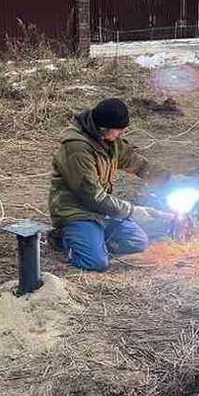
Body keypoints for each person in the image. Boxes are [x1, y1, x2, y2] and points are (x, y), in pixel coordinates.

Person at [49, 98, 173, 271]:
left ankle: (92, 238)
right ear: (103, 129)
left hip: (101, 210)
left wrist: (168, 181)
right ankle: (64, 236)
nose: (120, 134)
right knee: (96, 263)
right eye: (118, 131)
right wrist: (132, 211)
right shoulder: (77, 148)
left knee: (138, 242)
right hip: (77, 211)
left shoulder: (109, 140)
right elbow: (92, 197)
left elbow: (137, 164)